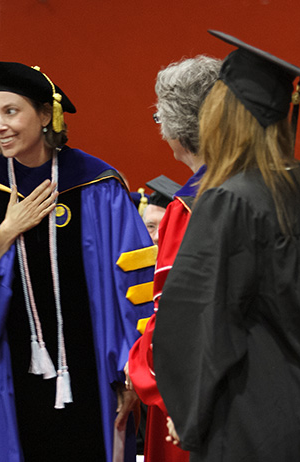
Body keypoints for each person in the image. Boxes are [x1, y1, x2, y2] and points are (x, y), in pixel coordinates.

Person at [0, 61, 155, 462]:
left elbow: (135, 284)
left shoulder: (98, 186)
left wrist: (133, 367)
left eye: (11, 111)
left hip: (94, 369)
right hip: (13, 370)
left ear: (46, 115)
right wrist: (3, 234)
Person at [153, 31, 300, 461]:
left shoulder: (230, 201)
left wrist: (189, 412)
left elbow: (201, 323)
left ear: (223, 117)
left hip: (252, 426)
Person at [126, 55, 220, 462]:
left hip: (191, 397)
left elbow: (175, 320)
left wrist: (138, 370)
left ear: (178, 128)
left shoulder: (189, 206)